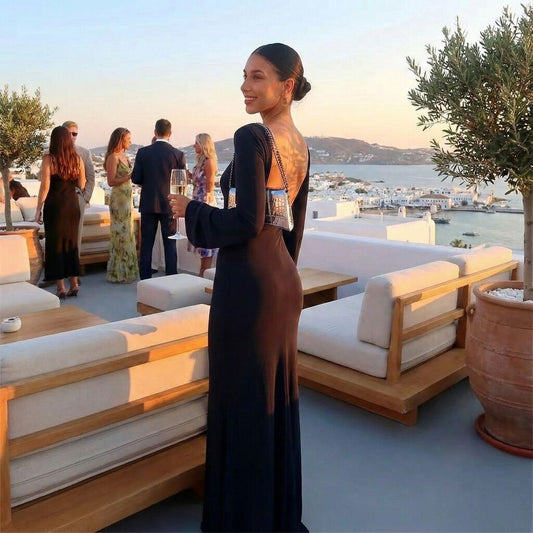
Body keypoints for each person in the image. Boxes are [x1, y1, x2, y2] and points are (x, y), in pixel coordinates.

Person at [170, 43, 311, 532]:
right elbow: (290, 225)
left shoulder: (253, 136)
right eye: (244, 76)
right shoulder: (299, 143)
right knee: (271, 402)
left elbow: (246, 222)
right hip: (280, 282)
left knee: (242, 401)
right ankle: (273, 516)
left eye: (257, 77)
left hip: (249, 286)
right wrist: (283, 274)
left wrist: (191, 210)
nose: (245, 86)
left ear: (286, 86)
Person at [132, 119, 186, 279]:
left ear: (155, 132)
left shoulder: (143, 152)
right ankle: (171, 279)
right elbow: (181, 183)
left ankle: (145, 280)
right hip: (169, 204)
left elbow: (136, 178)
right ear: (170, 134)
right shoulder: (178, 154)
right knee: (170, 243)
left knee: (146, 244)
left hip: (148, 203)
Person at [35, 126, 86, 298]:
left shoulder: (49, 159)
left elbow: (45, 186)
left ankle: (61, 288)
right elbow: (82, 184)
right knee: (71, 244)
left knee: (55, 245)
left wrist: (38, 209)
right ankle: (74, 283)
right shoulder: (77, 159)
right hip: (72, 205)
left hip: (55, 206)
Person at [104, 127, 139, 283]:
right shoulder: (113, 157)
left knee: (128, 232)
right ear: (120, 140)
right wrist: (129, 176)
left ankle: (127, 271)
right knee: (120, 234)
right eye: (128, 139)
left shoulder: (125, 156)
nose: (130, 141)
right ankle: (119, 272)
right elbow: (111, 181)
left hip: (127, 198)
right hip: (118, 200)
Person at [62, 120, 95, 255]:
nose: (73, 137)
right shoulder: (52, 152)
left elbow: (91, 177)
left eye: (75, 134)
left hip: (77, 198)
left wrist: (85, 197)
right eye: (70, 133)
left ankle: (74, 265)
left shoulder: (84, 153)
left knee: (76, 235)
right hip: (58, 199)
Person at [188, 133, 218, 277]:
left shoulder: (209, 162)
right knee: (201, 239)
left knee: (205, 240)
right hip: (197, 202)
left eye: (197, 143)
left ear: (203, 145)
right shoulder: (201, 161)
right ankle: (202, 274)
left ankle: (203, 274)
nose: (194, 145)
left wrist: (205, 208)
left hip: (203, 203)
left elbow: (210, 186)